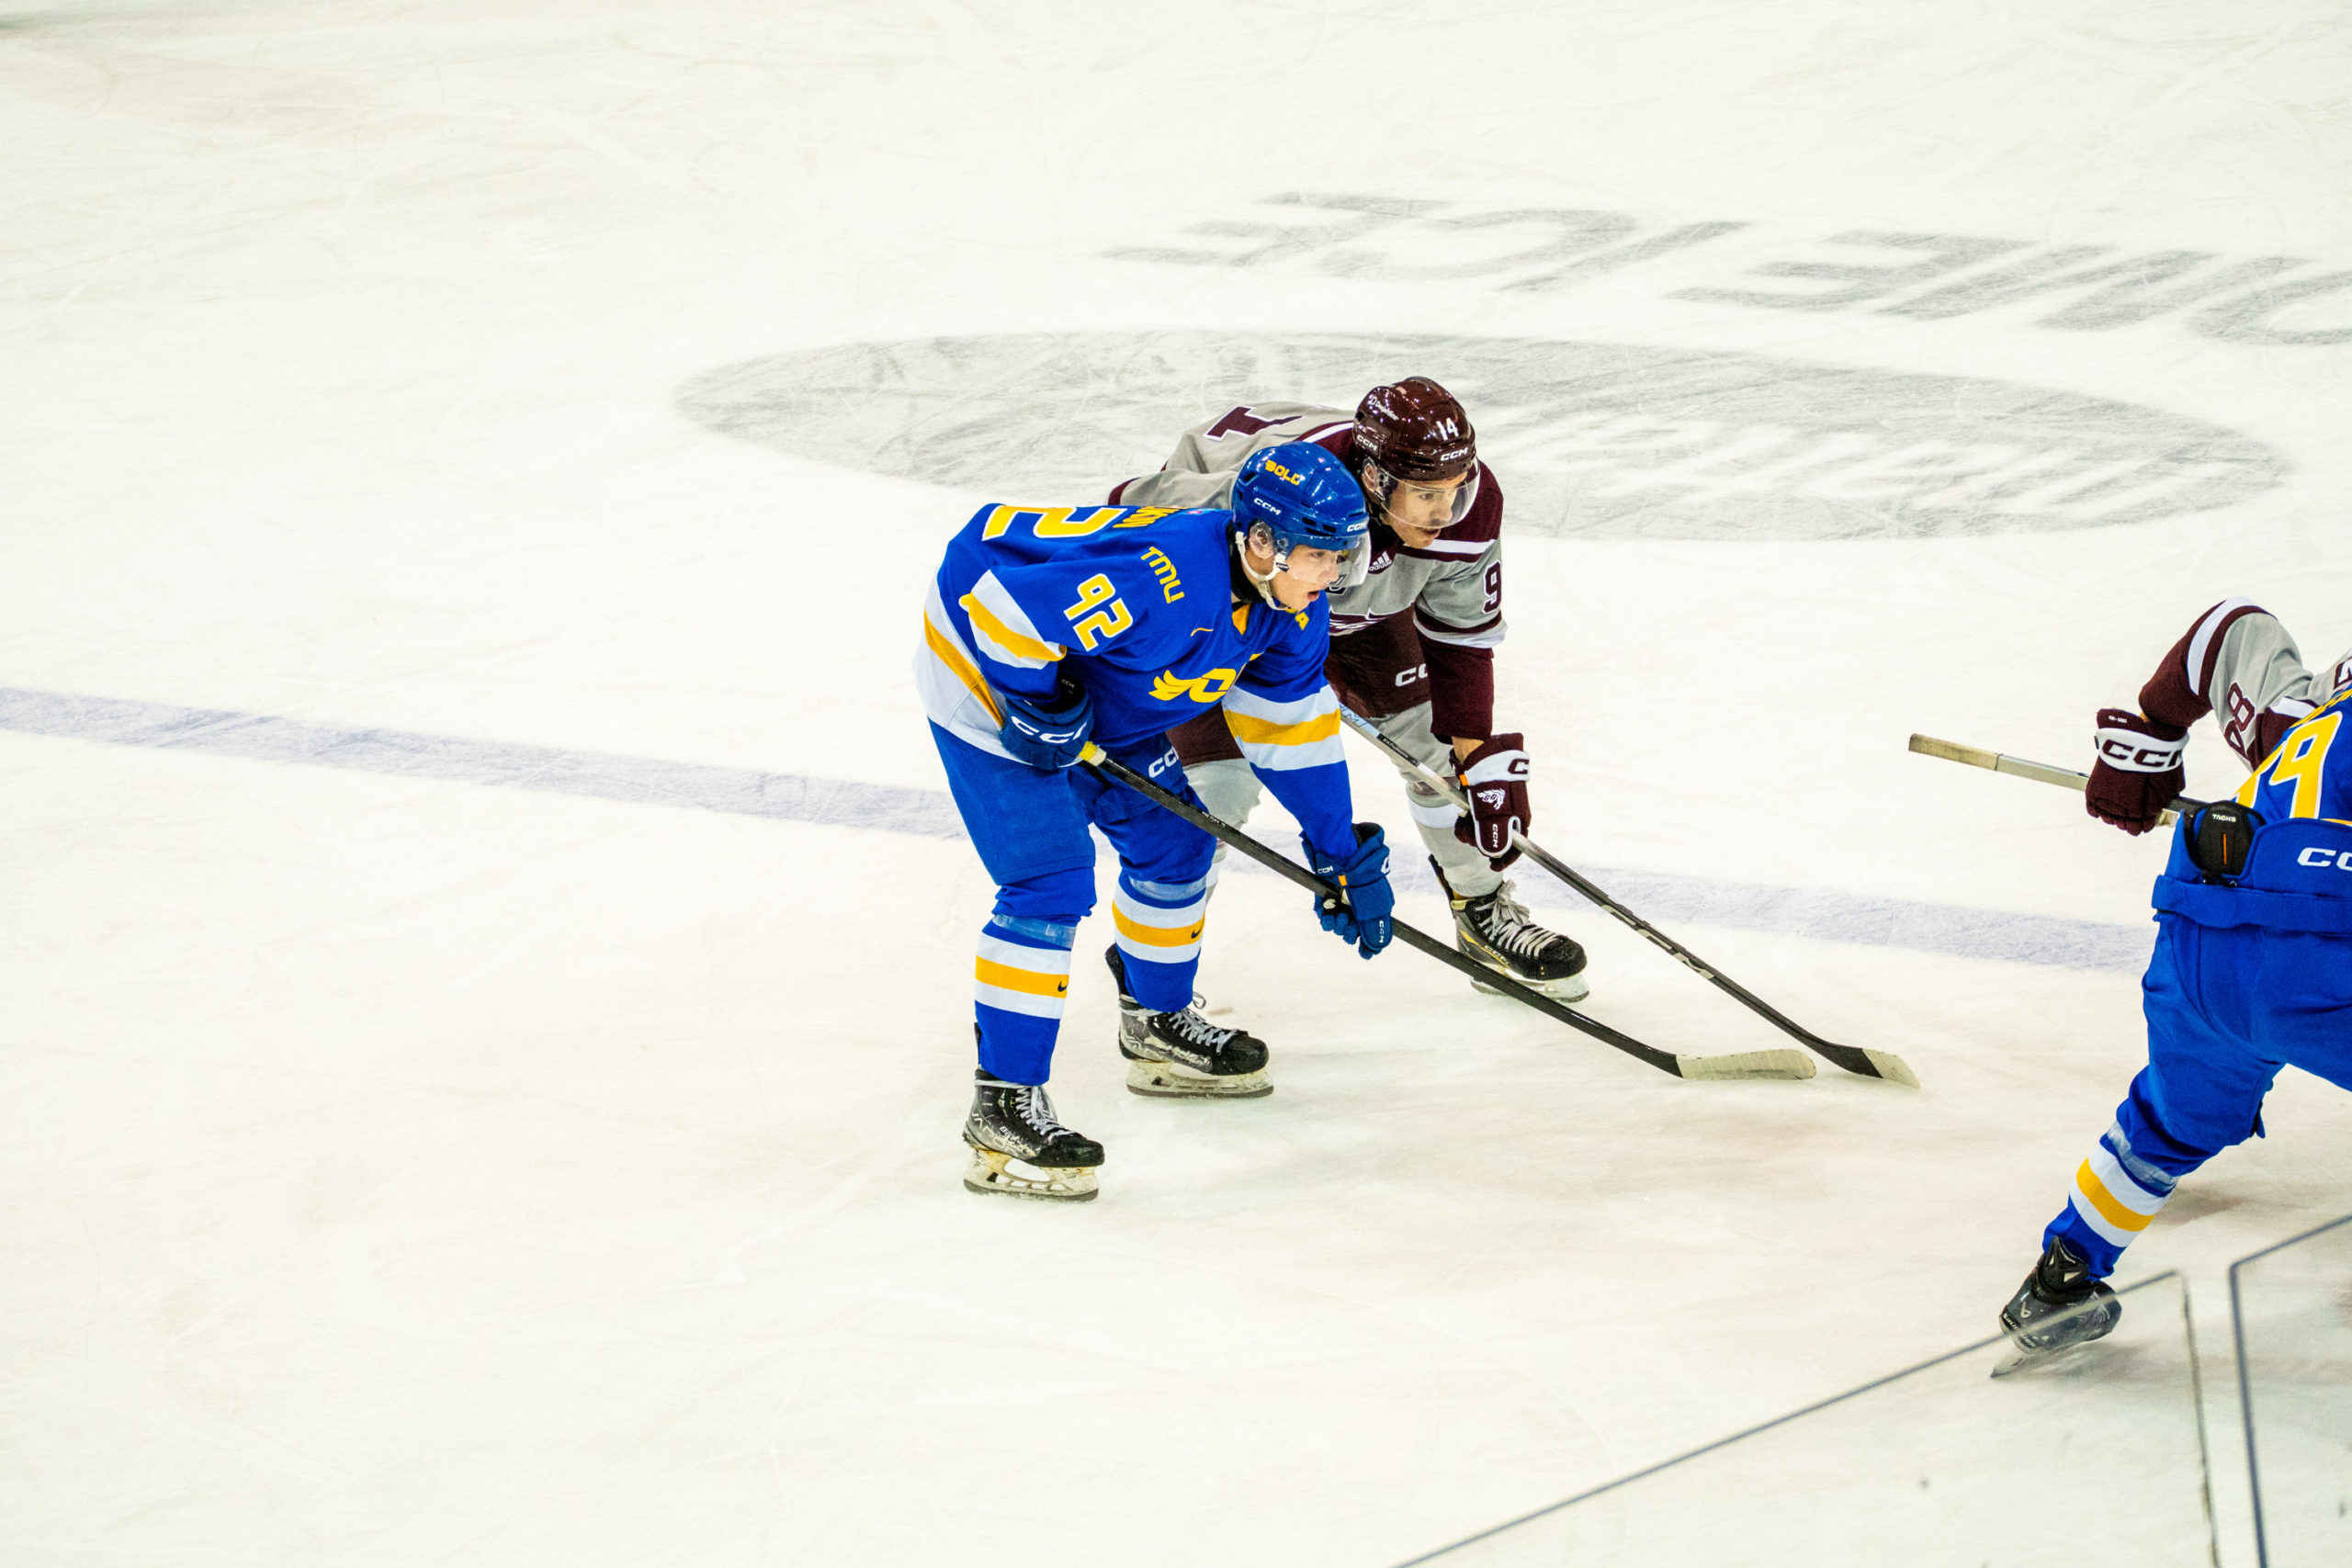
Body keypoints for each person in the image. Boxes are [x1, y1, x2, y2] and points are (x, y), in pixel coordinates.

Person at [918, 443, 1397, 1202]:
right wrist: (1038, 701)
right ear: (1262, 542)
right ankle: (1001, 1108)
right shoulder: (1166, 576)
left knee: (1178, 846)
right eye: (1320, 555)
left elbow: (1291, 732)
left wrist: (1338, 852)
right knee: (1049, 883)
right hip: (984, 664)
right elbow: (1006, 616)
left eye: (1343, 557)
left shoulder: (1290, 612)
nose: (1333, 576)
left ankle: (1156, 1023)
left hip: (1096, 679)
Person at [1107, 379, 1589, 1032]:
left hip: (1351, 602)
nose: (1446, 512)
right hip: (1239, 604)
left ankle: (1482, 908)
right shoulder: (1273, 492)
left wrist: (1478, 763)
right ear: (1372, 476)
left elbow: (1461, 644)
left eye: (1457, 488)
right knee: (1215, 797)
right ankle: (1151, 987)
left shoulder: (1466, 513)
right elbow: (1123, 514)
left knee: (1439, 751)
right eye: (1426, 494)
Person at [1999, 600, 2352, 1359]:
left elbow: (2229, 631)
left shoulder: (2310, 704)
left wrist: (2146, 746)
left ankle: (2061, 1279)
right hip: (2331, 948)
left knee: (2166, 1121)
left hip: (2205, 928)